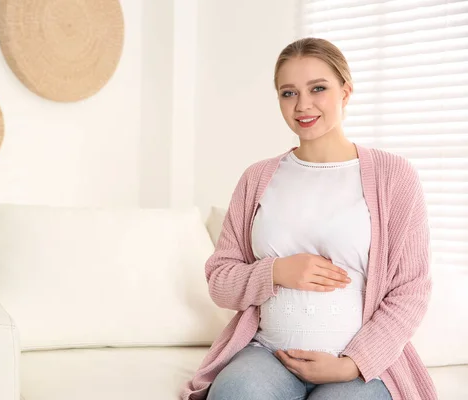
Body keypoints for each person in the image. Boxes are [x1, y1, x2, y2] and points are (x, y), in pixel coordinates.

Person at [180, 37, 437, 400]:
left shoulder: (394, 176)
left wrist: (353, 363)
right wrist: (276, 271)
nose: (303, 105)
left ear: (345, 92)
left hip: (357, 368)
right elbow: (220, 281)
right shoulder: (257, 178)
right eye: (288, 93)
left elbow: (411, 291)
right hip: (267, 356)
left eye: (318, 88)